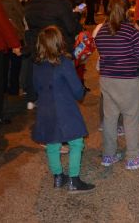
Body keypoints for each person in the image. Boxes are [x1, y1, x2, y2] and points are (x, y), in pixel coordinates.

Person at [32, 26, 95, 193]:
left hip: (45, 109)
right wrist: (80, 92)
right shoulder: (65, 63)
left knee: (53, 143)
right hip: (65, 108)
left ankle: (58, 177)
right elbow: (77, 90)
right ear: (59, 43)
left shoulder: (37, 65)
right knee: (76, 143)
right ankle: (74, 180)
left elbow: (35, 87)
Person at [94, 0, 139, 170]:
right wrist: (133, 65)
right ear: (127, 11)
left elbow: (101, 51)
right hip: (126, 79)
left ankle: (109, 155)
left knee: (110, 117)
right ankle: (133, 157)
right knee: (131, 117)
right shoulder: (130, 32)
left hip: (107, 79)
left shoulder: (102, 31)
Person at [24, 0, 83, 109]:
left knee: (42, 82)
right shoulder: (61, 2)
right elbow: (71, 28)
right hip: (58, 48)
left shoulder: (31, 2)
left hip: (38, 48)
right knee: (59, 85)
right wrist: (76, 15)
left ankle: (37, 101)